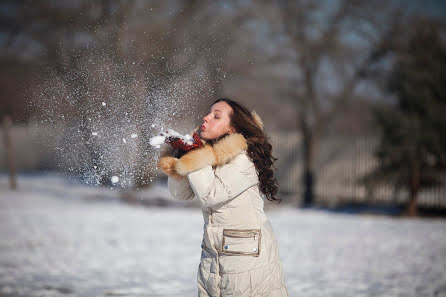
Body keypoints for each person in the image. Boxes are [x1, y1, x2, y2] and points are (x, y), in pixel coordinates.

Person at [158, 98, 289, 297]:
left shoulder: (242, 158)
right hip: (214, 256)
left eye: (216, 116)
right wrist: (181, 155)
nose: (206, 117)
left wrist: (195, 155)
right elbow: (180, 193)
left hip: (247, 259)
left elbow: (211, 194)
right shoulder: (211, 155)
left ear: (232, 129)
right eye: (209, 113)